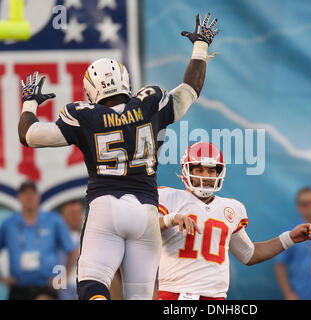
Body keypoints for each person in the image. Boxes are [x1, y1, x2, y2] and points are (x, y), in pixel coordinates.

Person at [17, 13, 220, 300]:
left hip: (106, 207)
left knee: (91, 282)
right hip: (147, 212)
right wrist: (200, 46)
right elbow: (190, 91)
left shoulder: (84, 116)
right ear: (125, 80)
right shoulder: (151, 101)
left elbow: (28, 136)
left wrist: (29, 101)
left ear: (90, 89)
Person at [156, 142, 311, 300]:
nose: (205, 176)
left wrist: (290, 238)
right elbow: (144, 230)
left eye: (211, 171)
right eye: (199, 170)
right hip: (173, 294)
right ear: (187, 171)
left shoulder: (230, 208)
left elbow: (249, 254)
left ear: (219, 173)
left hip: (215, 299)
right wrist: (171, 219)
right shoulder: (169, 198)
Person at [0, 181, 77, 300]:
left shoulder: (53, 220)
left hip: (46, 287)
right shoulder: (9, 224)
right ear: (19, 197)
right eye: (25, 193)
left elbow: (72, 250)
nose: (29, 197)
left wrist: (64, 277)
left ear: (38, 196)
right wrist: (2, 278)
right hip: (18, 288)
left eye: (32, 193)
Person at [58, 199, 84, 300]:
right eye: (72, 213)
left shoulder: (88, 238)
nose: (76, 216)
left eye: (78, 213)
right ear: (62, 215)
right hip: (63, 288)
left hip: (84, 287)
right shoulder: (56, 238)